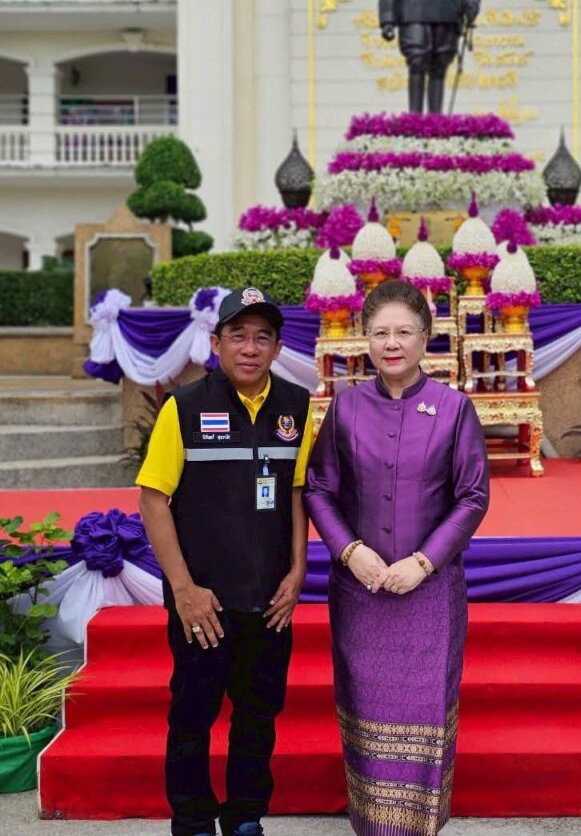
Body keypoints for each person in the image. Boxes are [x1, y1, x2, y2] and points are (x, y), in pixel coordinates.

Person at [303, 279, 489, 836]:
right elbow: (319, 488)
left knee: (425, 707)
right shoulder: (345, 407)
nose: (392, 343)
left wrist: (424, 562)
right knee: (365, 705)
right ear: (365, 338)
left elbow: (472, 496)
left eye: (404, 332)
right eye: (380, 332)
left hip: (430, 592)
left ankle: (419, 826)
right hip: (359, 591)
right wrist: (349, 551)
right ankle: (372, 824)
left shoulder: (455, 409)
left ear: (426, 337)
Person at [138, 286, 312, 836]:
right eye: (238, 336)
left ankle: (245, 817)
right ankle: (192, 819)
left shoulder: (297, 405)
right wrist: (184, 590)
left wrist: (297, 571)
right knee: (193, 715)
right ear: (216, 344)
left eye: (263, 338)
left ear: (278, 348)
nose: (250, 348)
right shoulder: (184, 407)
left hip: (269, 599)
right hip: (204, 603)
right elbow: (153, 500)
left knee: (258, 715)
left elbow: (296, 492)